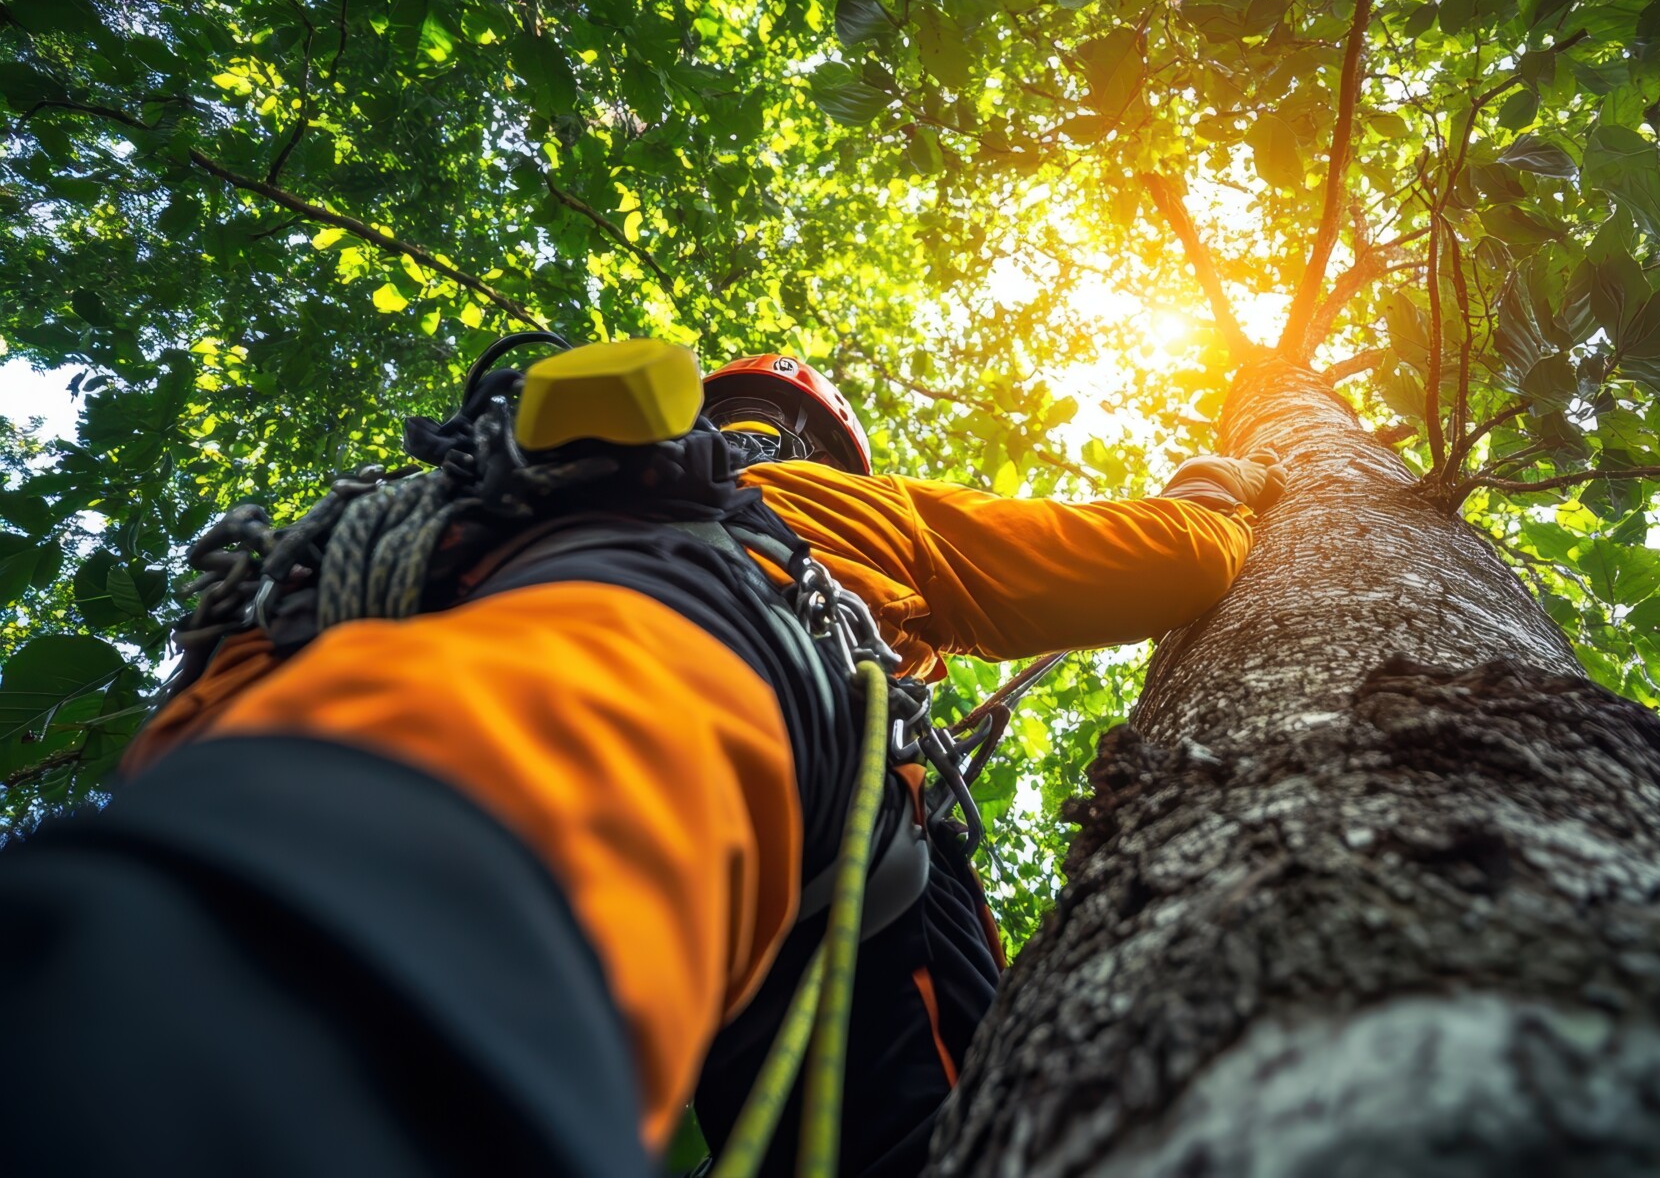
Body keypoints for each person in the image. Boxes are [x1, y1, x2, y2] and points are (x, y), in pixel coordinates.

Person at [0, 347, 1280, 1177]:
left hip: (353, 733)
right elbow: (1122, 562)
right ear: (814, 446)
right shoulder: (852, 514)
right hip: (754, 760)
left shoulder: (473, 512)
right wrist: (1220, 510)